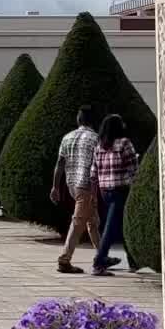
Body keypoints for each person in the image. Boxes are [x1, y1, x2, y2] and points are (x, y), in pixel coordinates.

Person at [52, 105, 101, 274]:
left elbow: (60, 164)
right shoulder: (96, 139)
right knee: (79, 221)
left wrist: (55, 187)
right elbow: (97, 168)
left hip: (72, 185)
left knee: (92, 221)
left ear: (78, 120)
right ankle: (64, 260)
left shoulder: (67, 137)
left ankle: (102, 259)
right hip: (86, 186)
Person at [91, 113, 139, 277]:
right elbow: (133, 169)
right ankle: (99, 261)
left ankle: (133, 260)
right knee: (111, 228)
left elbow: (93, 171)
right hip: (121, 190)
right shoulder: (124, 143)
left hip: (105, 191)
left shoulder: (99, 146)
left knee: (119, 224)